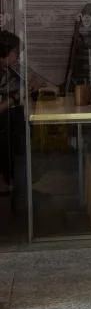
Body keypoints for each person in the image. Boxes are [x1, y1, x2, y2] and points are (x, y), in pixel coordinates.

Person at [0, 31, 25, 194]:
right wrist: (16, 96)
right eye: (16, 52)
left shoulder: (4, 69)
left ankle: (8, 176)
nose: (18, 55)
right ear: (5, 52)